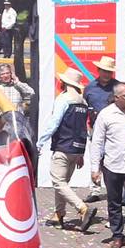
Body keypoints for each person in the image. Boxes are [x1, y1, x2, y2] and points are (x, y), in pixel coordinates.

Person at [87, 80, 125, 248]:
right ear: (116, 98)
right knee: (114, 202)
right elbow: (97, 142)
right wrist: (94, 169)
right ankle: (117, 235)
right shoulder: (106, 115)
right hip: (113, 164)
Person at [40, 69, 94, 230]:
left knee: (58, 182)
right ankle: (59, 214)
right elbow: (84, 129)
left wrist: (40, 141)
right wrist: (82, 153)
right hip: (77, 149)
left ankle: (82, 208)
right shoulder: (83, 103)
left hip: (63, 146)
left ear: (64, 83)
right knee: (63, 183)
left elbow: (54, 122)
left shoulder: (63, 99)